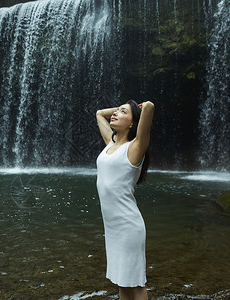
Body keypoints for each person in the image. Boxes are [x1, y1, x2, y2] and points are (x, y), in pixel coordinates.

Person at [95, 100, 155, 300]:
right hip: (112, 228)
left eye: (122, 112)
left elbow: (150, 108)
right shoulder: (110, 144)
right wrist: (122, 110)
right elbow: (99, 113)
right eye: (117, 110)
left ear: (132, 123)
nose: (115, 114)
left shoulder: (134, 147)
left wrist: (140, 107)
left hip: (128, 225)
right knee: (122, 281)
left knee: (136, 284)